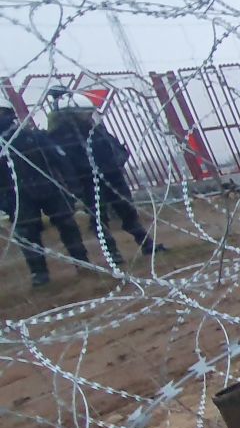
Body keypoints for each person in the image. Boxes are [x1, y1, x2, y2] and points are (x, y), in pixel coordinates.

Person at [44, 90, 162, 266]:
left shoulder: (95, 130)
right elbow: (65, 163)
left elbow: (114, 147)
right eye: (84, 113)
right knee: (99, 218)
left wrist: (118, 160)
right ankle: (112, 253)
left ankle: (147, 244)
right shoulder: (61, 137)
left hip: (112, 176)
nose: (88, 116)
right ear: (71, 116)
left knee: (127, 210)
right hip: (88, 181)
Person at [1, 104, 90, 287]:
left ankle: (82, 261)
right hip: (18, 196)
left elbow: (60, 160)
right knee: (27, 234)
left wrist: (73, 188)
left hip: (49, 188)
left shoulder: (32, 137)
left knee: (67, 224)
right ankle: (39, 273)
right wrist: (5, 202)